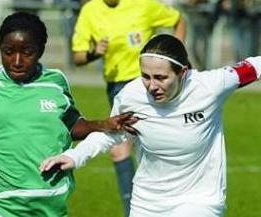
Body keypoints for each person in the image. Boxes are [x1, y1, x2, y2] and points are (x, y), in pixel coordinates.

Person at [40, 34, 261, 217]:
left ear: (183, 73)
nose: (151, 86)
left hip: (200, 201)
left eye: (161, 77)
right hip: (148, 202)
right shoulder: (132, 96)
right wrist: (74, 156)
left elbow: (254, 66)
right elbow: (111, 134)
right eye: (145, 76)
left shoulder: (209, 86)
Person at [0, 12, 137, 217]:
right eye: (7, 52)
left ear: (40, 50)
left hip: (51, 205)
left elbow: (70, 125)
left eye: (27, 52)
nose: (16, 61)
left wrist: (104, 124)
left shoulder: (55, 81)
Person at [71, 1, 186, 215]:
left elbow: (178, 19)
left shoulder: (143, 5)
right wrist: (95, 52)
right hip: (119, 89)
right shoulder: (90, 10)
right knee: (120, 151)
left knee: (160, 143)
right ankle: (134, 211)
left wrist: (176, 57)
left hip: (152, 83)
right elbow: (77, 56)